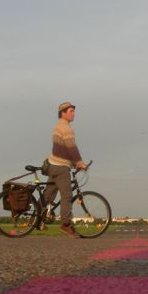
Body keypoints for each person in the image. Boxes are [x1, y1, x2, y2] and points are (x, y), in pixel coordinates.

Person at [43, 101, 88, 238]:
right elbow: (71, 147)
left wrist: (73, 163)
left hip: (53, 164)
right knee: (67, 196)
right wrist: (79, 162)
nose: (73, 113)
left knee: (48, 195)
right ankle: (66, 225)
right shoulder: (66, 128)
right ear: (63, 113)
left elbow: (61, 149)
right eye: (71, 111)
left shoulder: (58, 126)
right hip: (61, 168)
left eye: (74, 111)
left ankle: (37, 219)